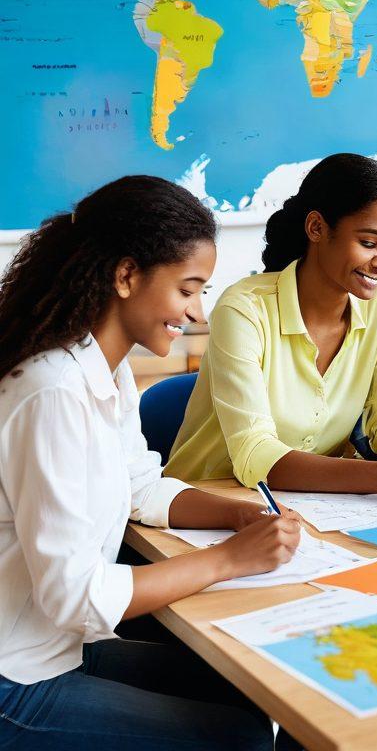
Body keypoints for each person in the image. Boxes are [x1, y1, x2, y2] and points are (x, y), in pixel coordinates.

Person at [0, 176, 303, 750]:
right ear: (125, 275)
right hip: (15, 677)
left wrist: (233, 519)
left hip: (55, 648)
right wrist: (227, 561)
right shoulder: (53, 391)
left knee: (247, 689)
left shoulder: (104, 368)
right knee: (240, 739)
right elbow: (75, 597)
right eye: (188, 289)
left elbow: (140, 485)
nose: (196, 312)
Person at [165, 154, 377, 502]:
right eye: (368, 243)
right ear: (317, 228)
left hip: (311, 508)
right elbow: (255, 454)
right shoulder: (244, 309)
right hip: (202, 508)